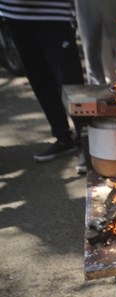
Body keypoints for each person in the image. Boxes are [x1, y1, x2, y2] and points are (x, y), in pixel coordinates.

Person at [0, 0, 86, 172]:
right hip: (14, 14)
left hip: (53, 13)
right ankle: (63, 137)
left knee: (69, 81)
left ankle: (86, 144)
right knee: (39, 79)